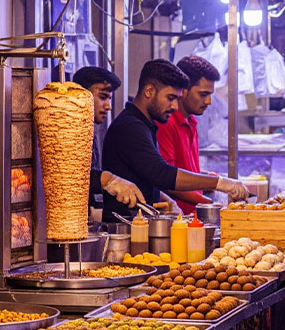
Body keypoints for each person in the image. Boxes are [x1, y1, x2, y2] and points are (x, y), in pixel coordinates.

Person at [102, 59, 247, 222]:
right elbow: (161, 173)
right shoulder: (130, 126)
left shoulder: (145, 124)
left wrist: (166, 199)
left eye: (177, 98)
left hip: (140, 225)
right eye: (170, 98)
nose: (175, 106)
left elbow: (145, 176)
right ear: (149, 91)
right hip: (124, 228)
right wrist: (220, 183)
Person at [72, 67, 144, 215]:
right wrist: (109, 180)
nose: (108, 106)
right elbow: (71, 174)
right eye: (103, 97)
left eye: (109, 99)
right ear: (81, 95)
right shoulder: (67, 130)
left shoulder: (89, 130)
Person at [156, 56, 220, 215]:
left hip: (193, 218)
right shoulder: (167, 123)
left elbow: (183, 168)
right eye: (203, 94)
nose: (208, 101)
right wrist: (211, 203)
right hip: (176, 220)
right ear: (183, 90)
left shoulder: (191, 121)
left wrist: (205, 177)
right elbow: (167, 181)